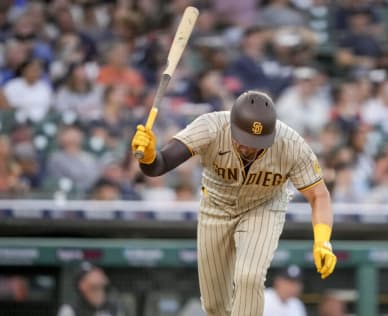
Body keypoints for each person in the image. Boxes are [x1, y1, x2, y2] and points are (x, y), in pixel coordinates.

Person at [131, 90, 337, 316]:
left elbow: (319, 195)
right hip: (216, 207)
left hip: (264, 207)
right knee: (214, 304)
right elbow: (160, 165)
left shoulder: (290, 144)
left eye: (257, 142)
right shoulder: (211, 127)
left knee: (250, 276)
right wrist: (149, 157)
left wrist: (323, 241)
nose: (249, 147)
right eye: (245, 139)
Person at [57, 262, 125, 316]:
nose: (96, 276)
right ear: (82, 285)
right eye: (90, 275)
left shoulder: (113, 306)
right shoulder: (70, 309)